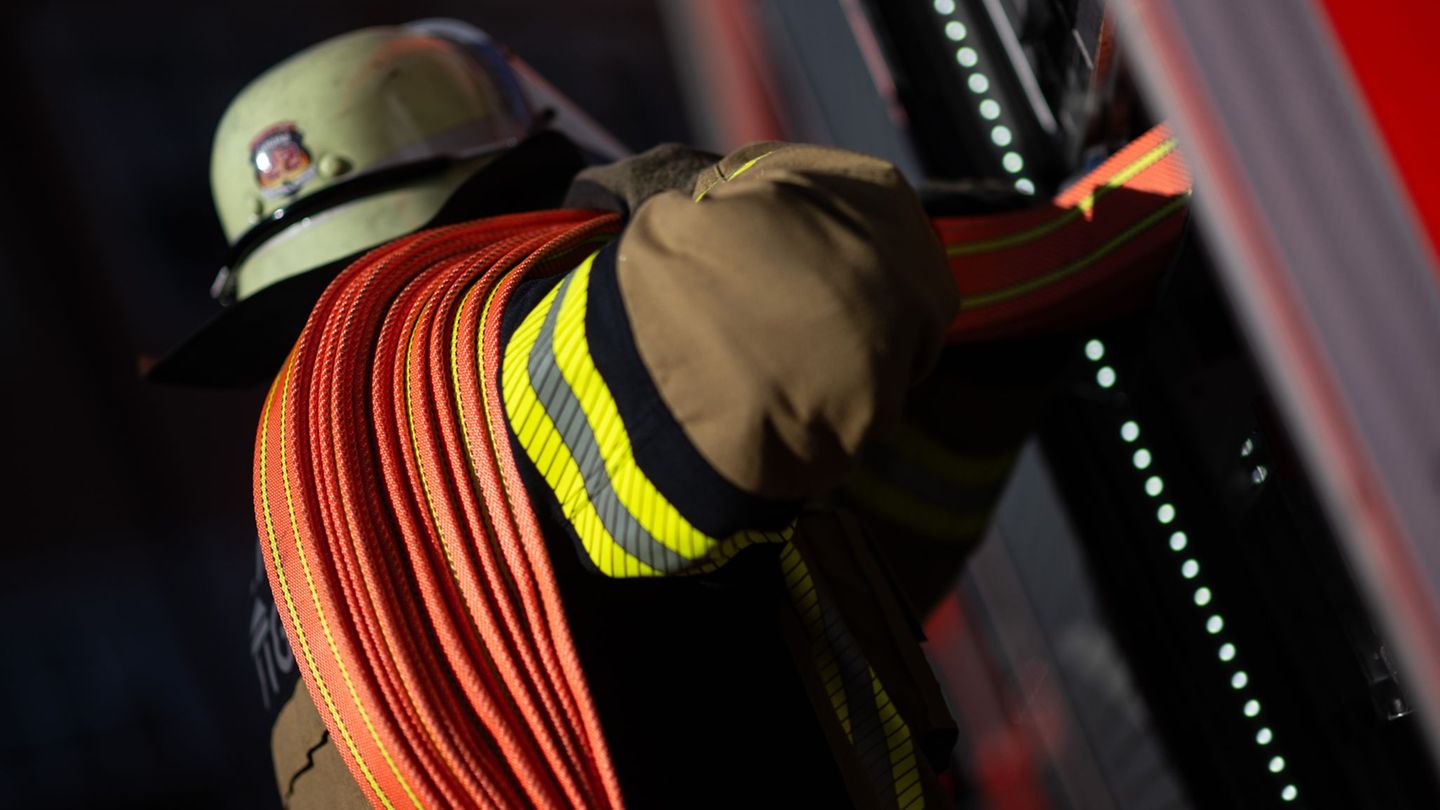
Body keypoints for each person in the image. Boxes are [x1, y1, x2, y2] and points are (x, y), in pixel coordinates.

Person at [155, 19, 1191, 810]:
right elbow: (817, 291)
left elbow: (774, 583)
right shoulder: (501, 384)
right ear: (504, 178)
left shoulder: (314, 571)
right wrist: (660, 206)